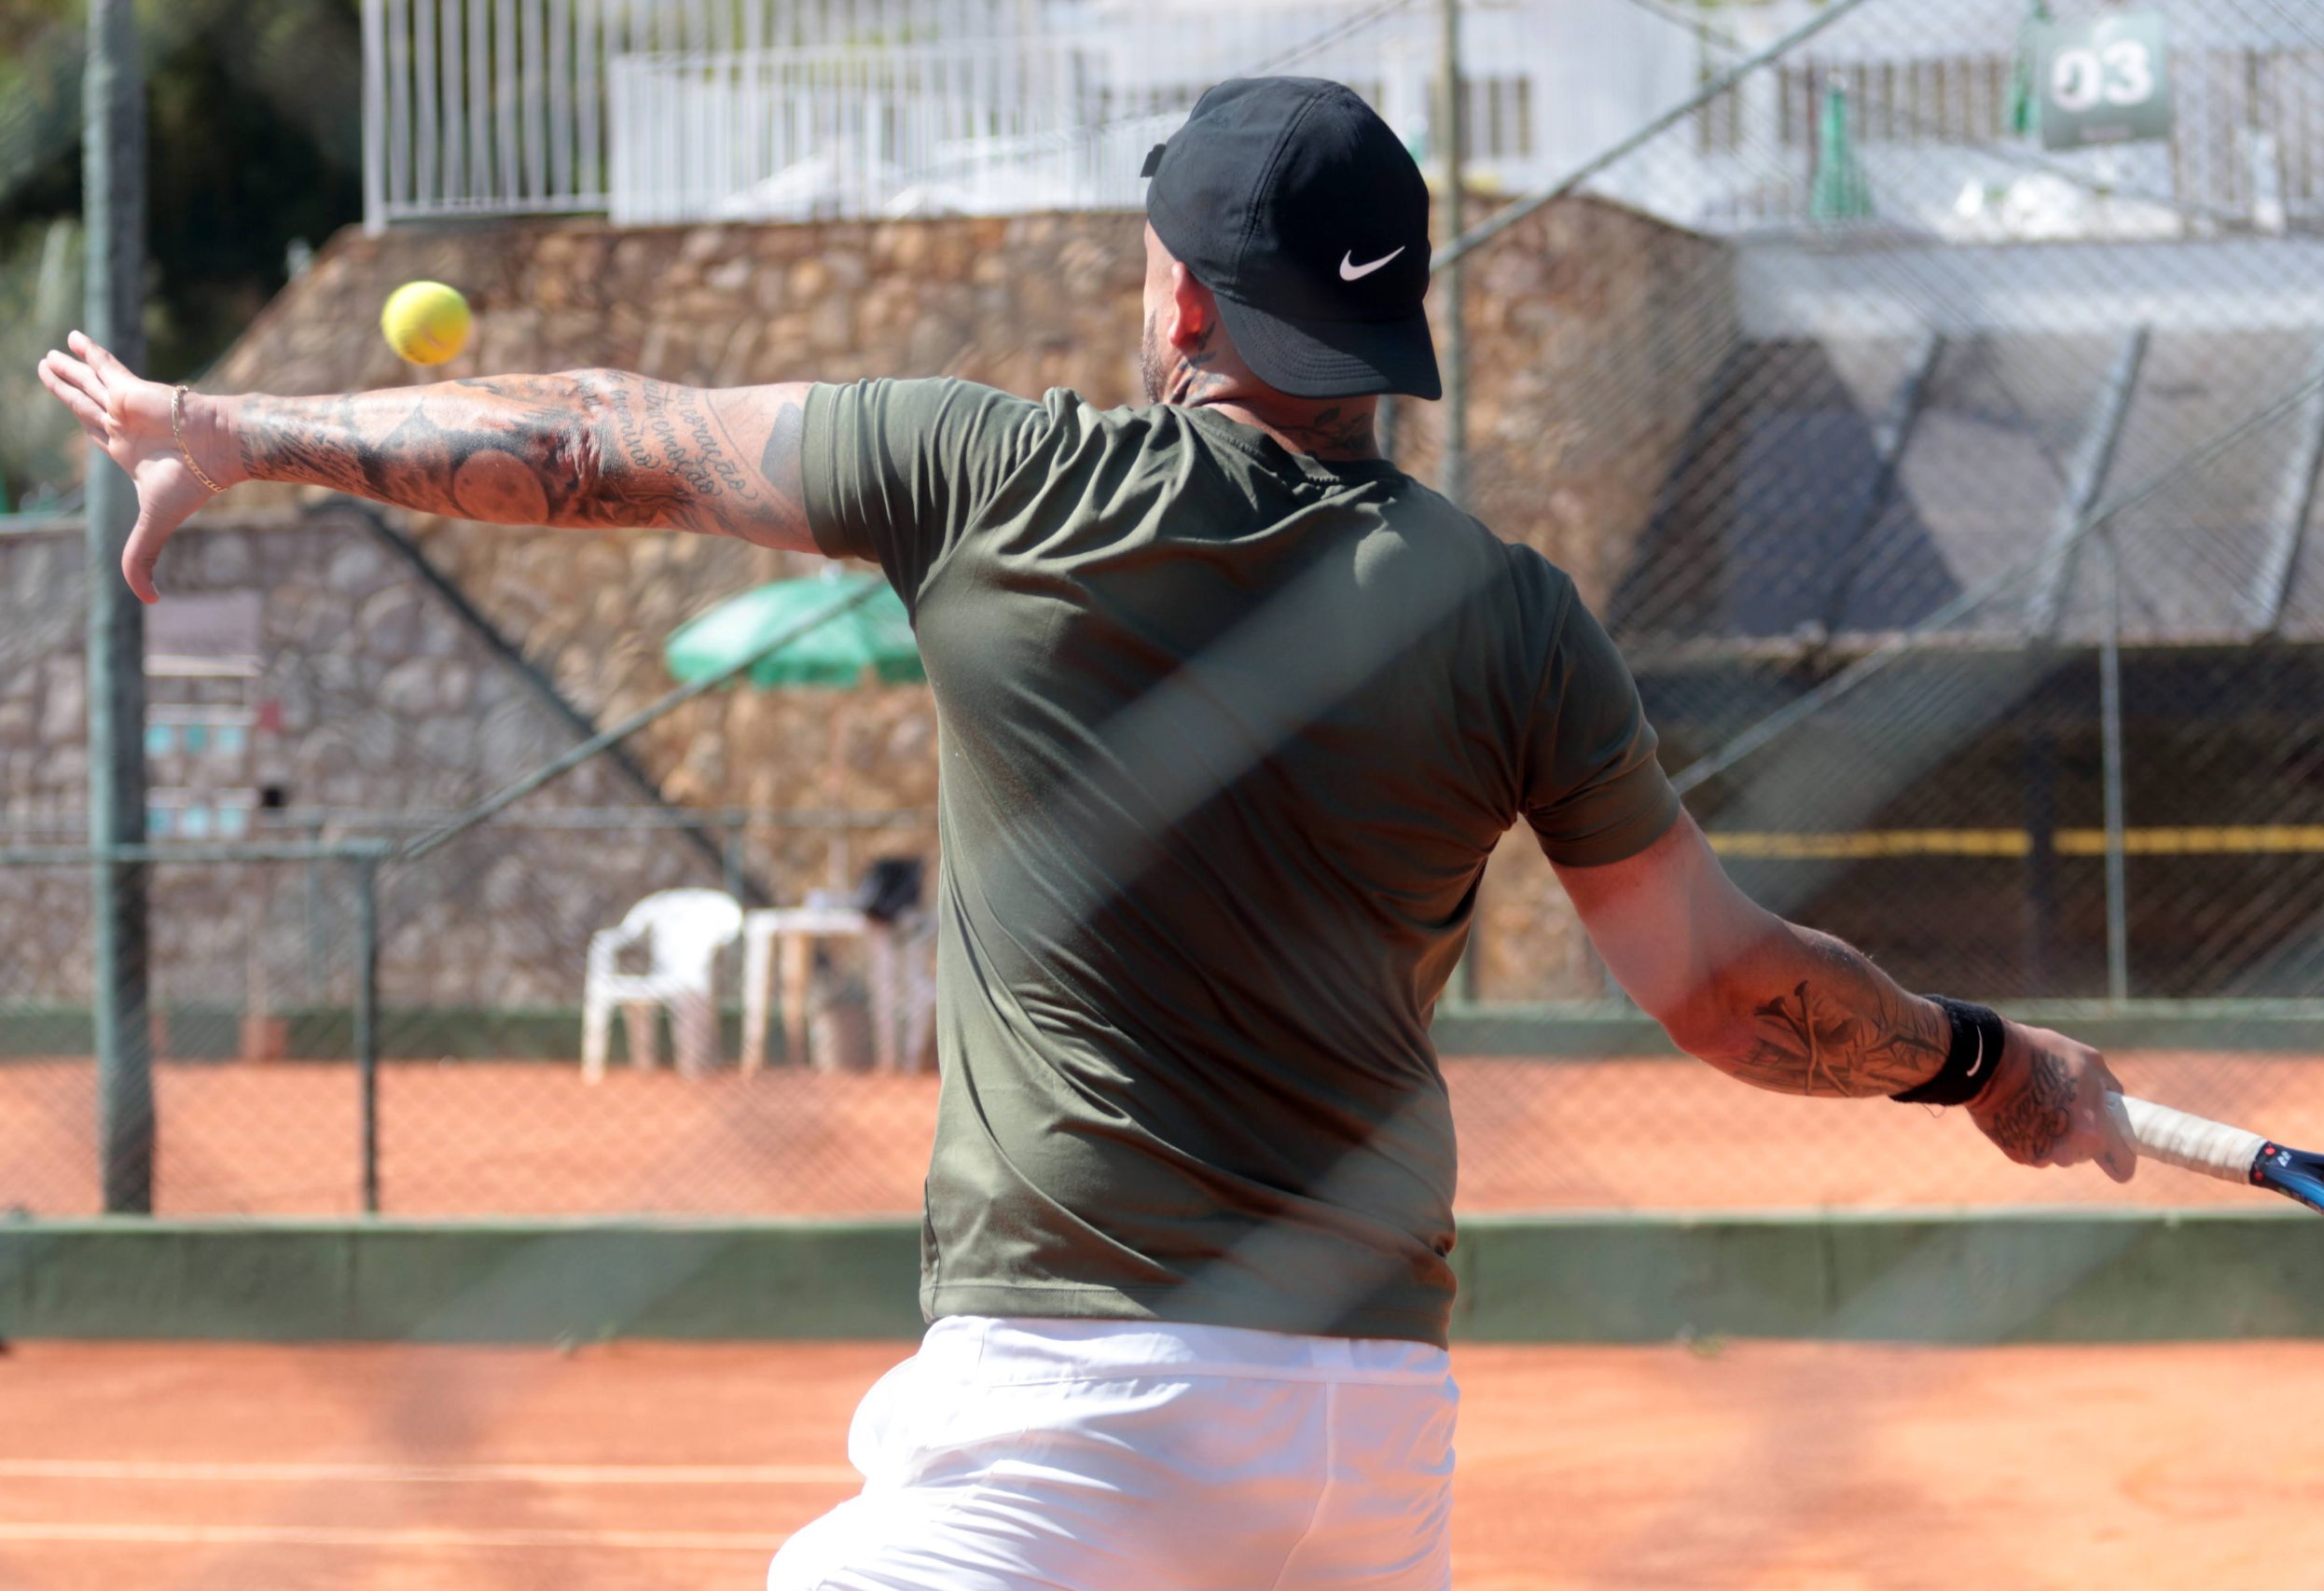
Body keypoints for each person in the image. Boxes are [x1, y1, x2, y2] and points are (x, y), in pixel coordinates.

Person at [40, 75, 2133, 1591]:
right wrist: (1984, 1062)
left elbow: (596, 440)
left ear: (1191, 315)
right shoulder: (1508, 615)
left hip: (1071, 1409)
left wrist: (249, 432)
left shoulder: (996, 483)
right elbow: (1724, 991)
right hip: (1369, 1432)